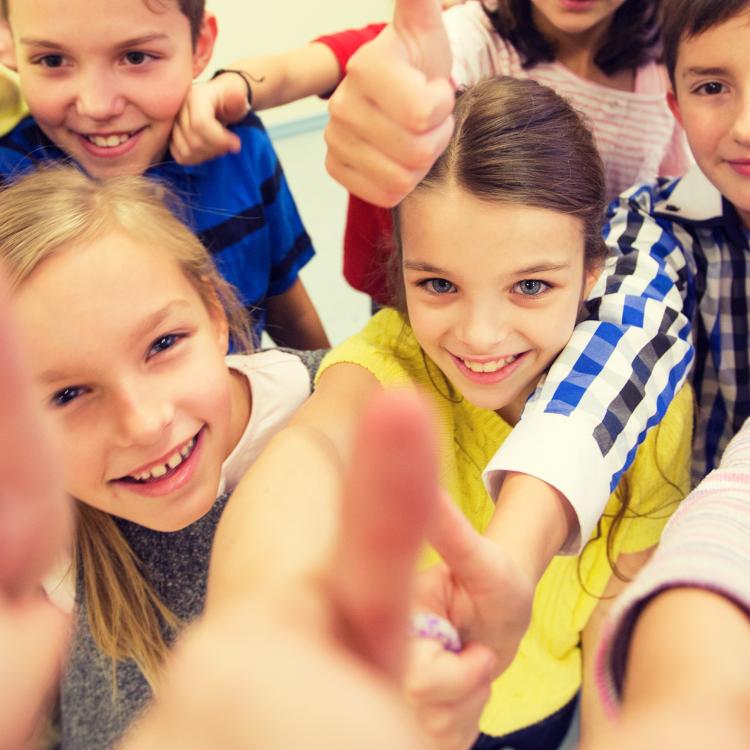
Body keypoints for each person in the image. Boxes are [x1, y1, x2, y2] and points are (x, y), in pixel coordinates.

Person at [208, 77, 692, 750]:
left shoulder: (655, 403)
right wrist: (258, 628)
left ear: (590, 272)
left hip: (552, 707)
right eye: (439, 284)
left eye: (530, 286)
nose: (482, 336)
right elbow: (306, 457)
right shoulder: (382, 370)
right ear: (399, 267)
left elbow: (616, 601)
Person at [0, 163, 326, 749]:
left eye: (162, 344)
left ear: (214, 309)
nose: (145, 423)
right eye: (68, 394)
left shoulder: (336, 404)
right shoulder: (33, 530)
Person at [0, 0, 328, 350]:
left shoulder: (240, 144)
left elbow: (288, 308)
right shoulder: (9, 189)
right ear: (8, 44)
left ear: (199, 46)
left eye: (136, 57)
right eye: (53, 61)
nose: (96, 106)